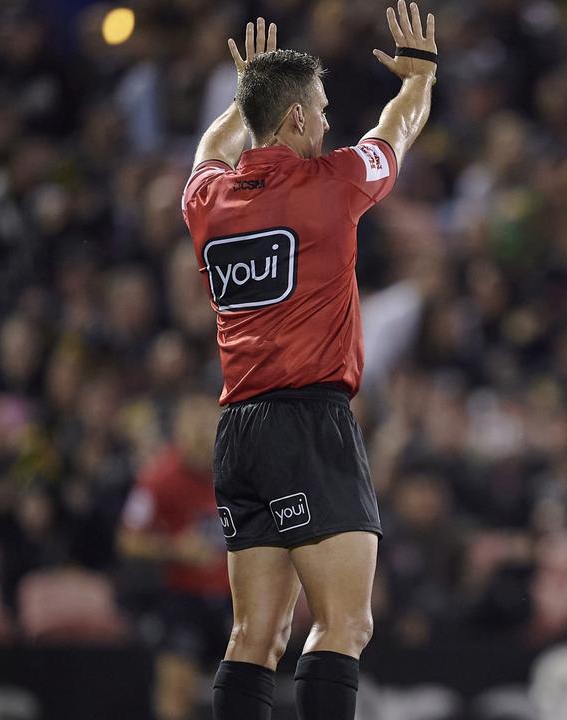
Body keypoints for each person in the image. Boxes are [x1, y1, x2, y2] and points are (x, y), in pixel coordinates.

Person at [179, 5, 437, 719]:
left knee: (253, 637)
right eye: (319, 111)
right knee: (344, 624)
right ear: (295, 118)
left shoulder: (207, 202)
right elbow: (398, 130)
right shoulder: (331, 184)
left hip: (238, 431)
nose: (326, 124)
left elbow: (208, 147)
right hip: (308, 424)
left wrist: (243, 98)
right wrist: (418, 79)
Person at [118, 394, 229, 720]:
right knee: (175, 689)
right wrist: (174, 548)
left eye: (206, 426)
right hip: (183, 598)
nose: (199, 436)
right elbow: (127, 539)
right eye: (191, 427)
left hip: (232, 597)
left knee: (244, 688)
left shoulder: (235, 473)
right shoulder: (158, 479)